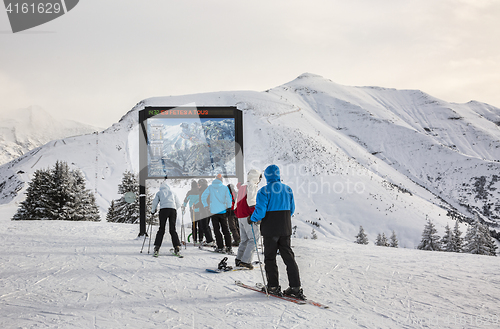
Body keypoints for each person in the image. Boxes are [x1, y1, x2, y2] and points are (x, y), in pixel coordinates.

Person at [249, 164, 305, 300]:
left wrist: (253, 219)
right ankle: (295, 288)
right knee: (288, 257)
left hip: (270, 229)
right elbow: (292, 209)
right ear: (278, 175)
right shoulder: (288, 189)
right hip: (285, 227)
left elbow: (261, 211)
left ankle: (273, 286)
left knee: (270, 257)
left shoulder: (264, 191)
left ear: (267, 176)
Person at [234, 169, 262, 269]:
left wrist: (237, 213)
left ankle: (239, 258)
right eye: (259, 178)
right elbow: (251, 201)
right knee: (254, 239)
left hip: (240, 216)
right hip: (248, 216)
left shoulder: (242, 186)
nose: (259, 180)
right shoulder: (252, 186)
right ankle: (245, 261)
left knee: (244, 240)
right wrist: (255, 215)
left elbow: (237, 202)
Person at [201, 174, 233, 253]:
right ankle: (229, 247)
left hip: (213, 212)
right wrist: (229, 207)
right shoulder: (225, 188)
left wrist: (206, 206)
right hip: (223, 211)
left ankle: (220, 247)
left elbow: (203, 196)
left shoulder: (210, 187)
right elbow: (229, 198)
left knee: (216, 230)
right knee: (225, 230)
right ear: (221, 180)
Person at [151, 180, 181, 256]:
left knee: (161, 229)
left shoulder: (159, 193)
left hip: (163, 210)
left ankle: (157, 247)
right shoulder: (173, 192)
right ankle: (176, 247)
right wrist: (174, 208)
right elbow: (178, 203)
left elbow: (155, 202)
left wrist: (153, 211)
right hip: (172, 210)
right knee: (172, 229)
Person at [182, 180, 202, 245]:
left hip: (192, 210)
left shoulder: (189, 192)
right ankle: (200, 239)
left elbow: (186, 200)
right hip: (199, 210)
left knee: (194, 225)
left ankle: (194, 239)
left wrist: (183, 207)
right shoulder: (200, 191)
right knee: (200, 225)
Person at [197, 178, 215, 246]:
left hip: (204, 210)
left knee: (204, 225)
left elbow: (202, 201)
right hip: (209, 210)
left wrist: (197, 205)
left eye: (199, 184)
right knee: (206, 225)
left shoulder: (203, 191)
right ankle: (210, 239)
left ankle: (209, 240)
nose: (198, 186)